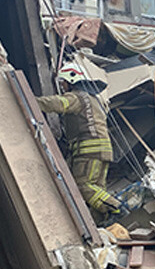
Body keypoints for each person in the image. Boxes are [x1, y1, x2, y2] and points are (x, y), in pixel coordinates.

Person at [36, 62, 124, 219]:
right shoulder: (94, 99)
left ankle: (116, 208)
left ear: (71, 80)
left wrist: (33, 101)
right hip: (102, 151)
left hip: (88, 151)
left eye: (63, 82)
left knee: (83, 185)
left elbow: (58, 104)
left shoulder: (77, 97)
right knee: (96, 191)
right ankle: (102, 224)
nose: (62, 87)